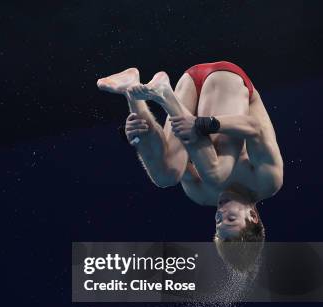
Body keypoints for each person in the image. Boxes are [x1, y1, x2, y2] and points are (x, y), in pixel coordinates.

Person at [97, 61, 283, 271]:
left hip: (189, 87)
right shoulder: (267, 181)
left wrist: (139, 136)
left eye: (217, 219)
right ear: (253, 216)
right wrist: (202, 123)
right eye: (230, 217)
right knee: (217, 175)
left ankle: (131, 91)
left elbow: (167, 153)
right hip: (225, 79)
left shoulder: (201, 195)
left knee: (166, 176)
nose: (220, 210)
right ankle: (165, 96)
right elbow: (255, 127)